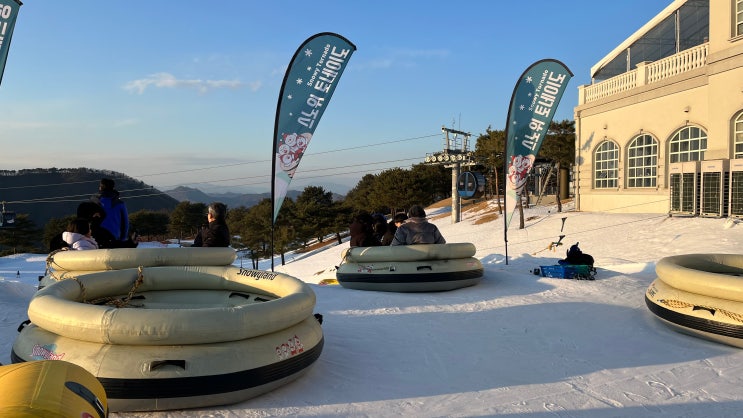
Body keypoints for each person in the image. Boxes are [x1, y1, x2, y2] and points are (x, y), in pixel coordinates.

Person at [91, 178, 130, 245]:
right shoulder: (120, 203)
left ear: (101, 187)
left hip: (95, 239)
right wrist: (122, 239)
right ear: (113, 188)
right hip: (115, 239)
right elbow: (125, 224)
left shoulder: (93, 201)